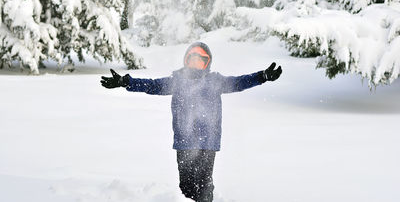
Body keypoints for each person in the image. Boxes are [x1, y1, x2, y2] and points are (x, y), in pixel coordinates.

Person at [100, 42, 282, 202]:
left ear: (207, 63)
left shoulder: (215, 81)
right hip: (184, 142)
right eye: (192, 59)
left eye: (200, 60)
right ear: (186, 61)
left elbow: (239, 82)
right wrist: (126, 81)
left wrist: (262, 76)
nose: (196, 63)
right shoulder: (177, 81)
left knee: (204, 185)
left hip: (208, 143)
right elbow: (151, 85)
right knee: (186, 187)